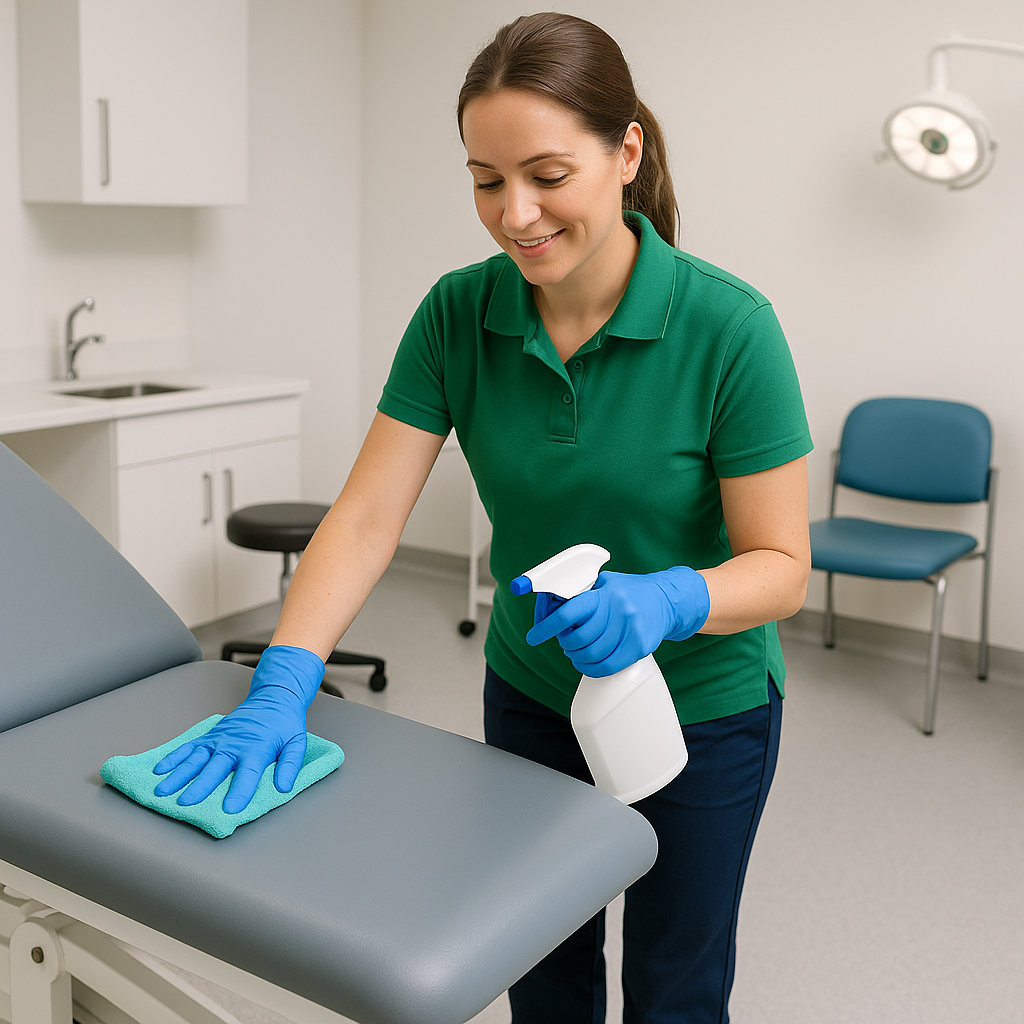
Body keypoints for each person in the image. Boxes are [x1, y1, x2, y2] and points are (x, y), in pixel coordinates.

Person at [153, 12, 812, 1023]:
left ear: (624, 150)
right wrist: (283, 676)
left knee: (674, 985)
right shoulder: (458, 314)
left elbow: (778, 565)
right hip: (535, 691)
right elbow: (368, 516)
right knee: (539, 957)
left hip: (700, 706)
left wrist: (670, 599)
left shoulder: (729, 329)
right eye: (485, 179)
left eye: (547, 176)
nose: (515, 215)